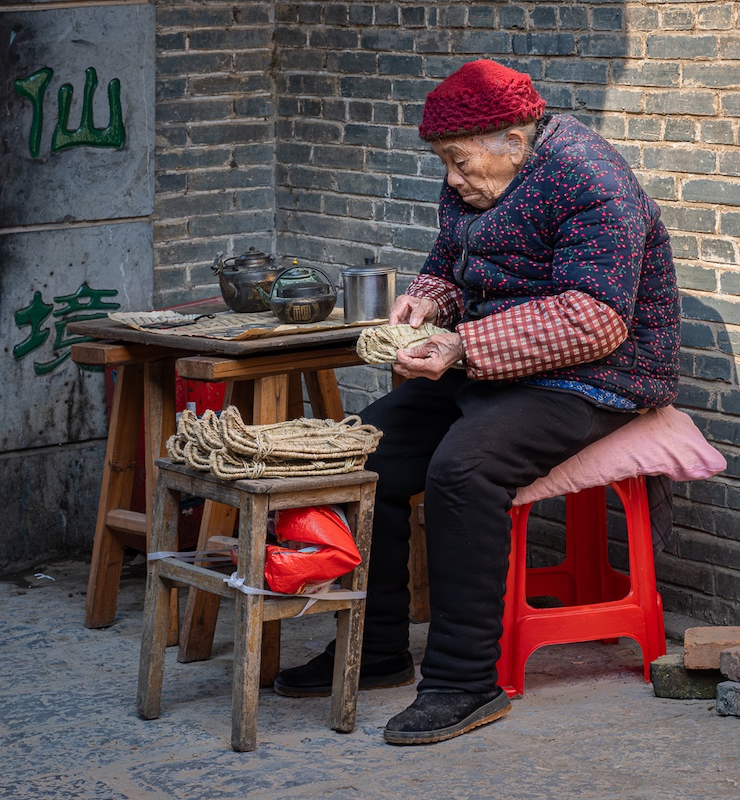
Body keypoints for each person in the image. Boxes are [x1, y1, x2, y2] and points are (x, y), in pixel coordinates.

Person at [274, 59, 681, 745]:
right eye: (445, 163)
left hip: (596, 377)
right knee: (362, 454)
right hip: (492, 364)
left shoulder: (591, 180)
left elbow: (596, 319)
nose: (453, 178)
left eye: (458, 162)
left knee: (462, 471)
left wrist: (462, 346)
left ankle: (465, 682)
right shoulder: (480, 178)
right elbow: (451, 260)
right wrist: (426, 302)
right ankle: (376, 650)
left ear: (514, 142)